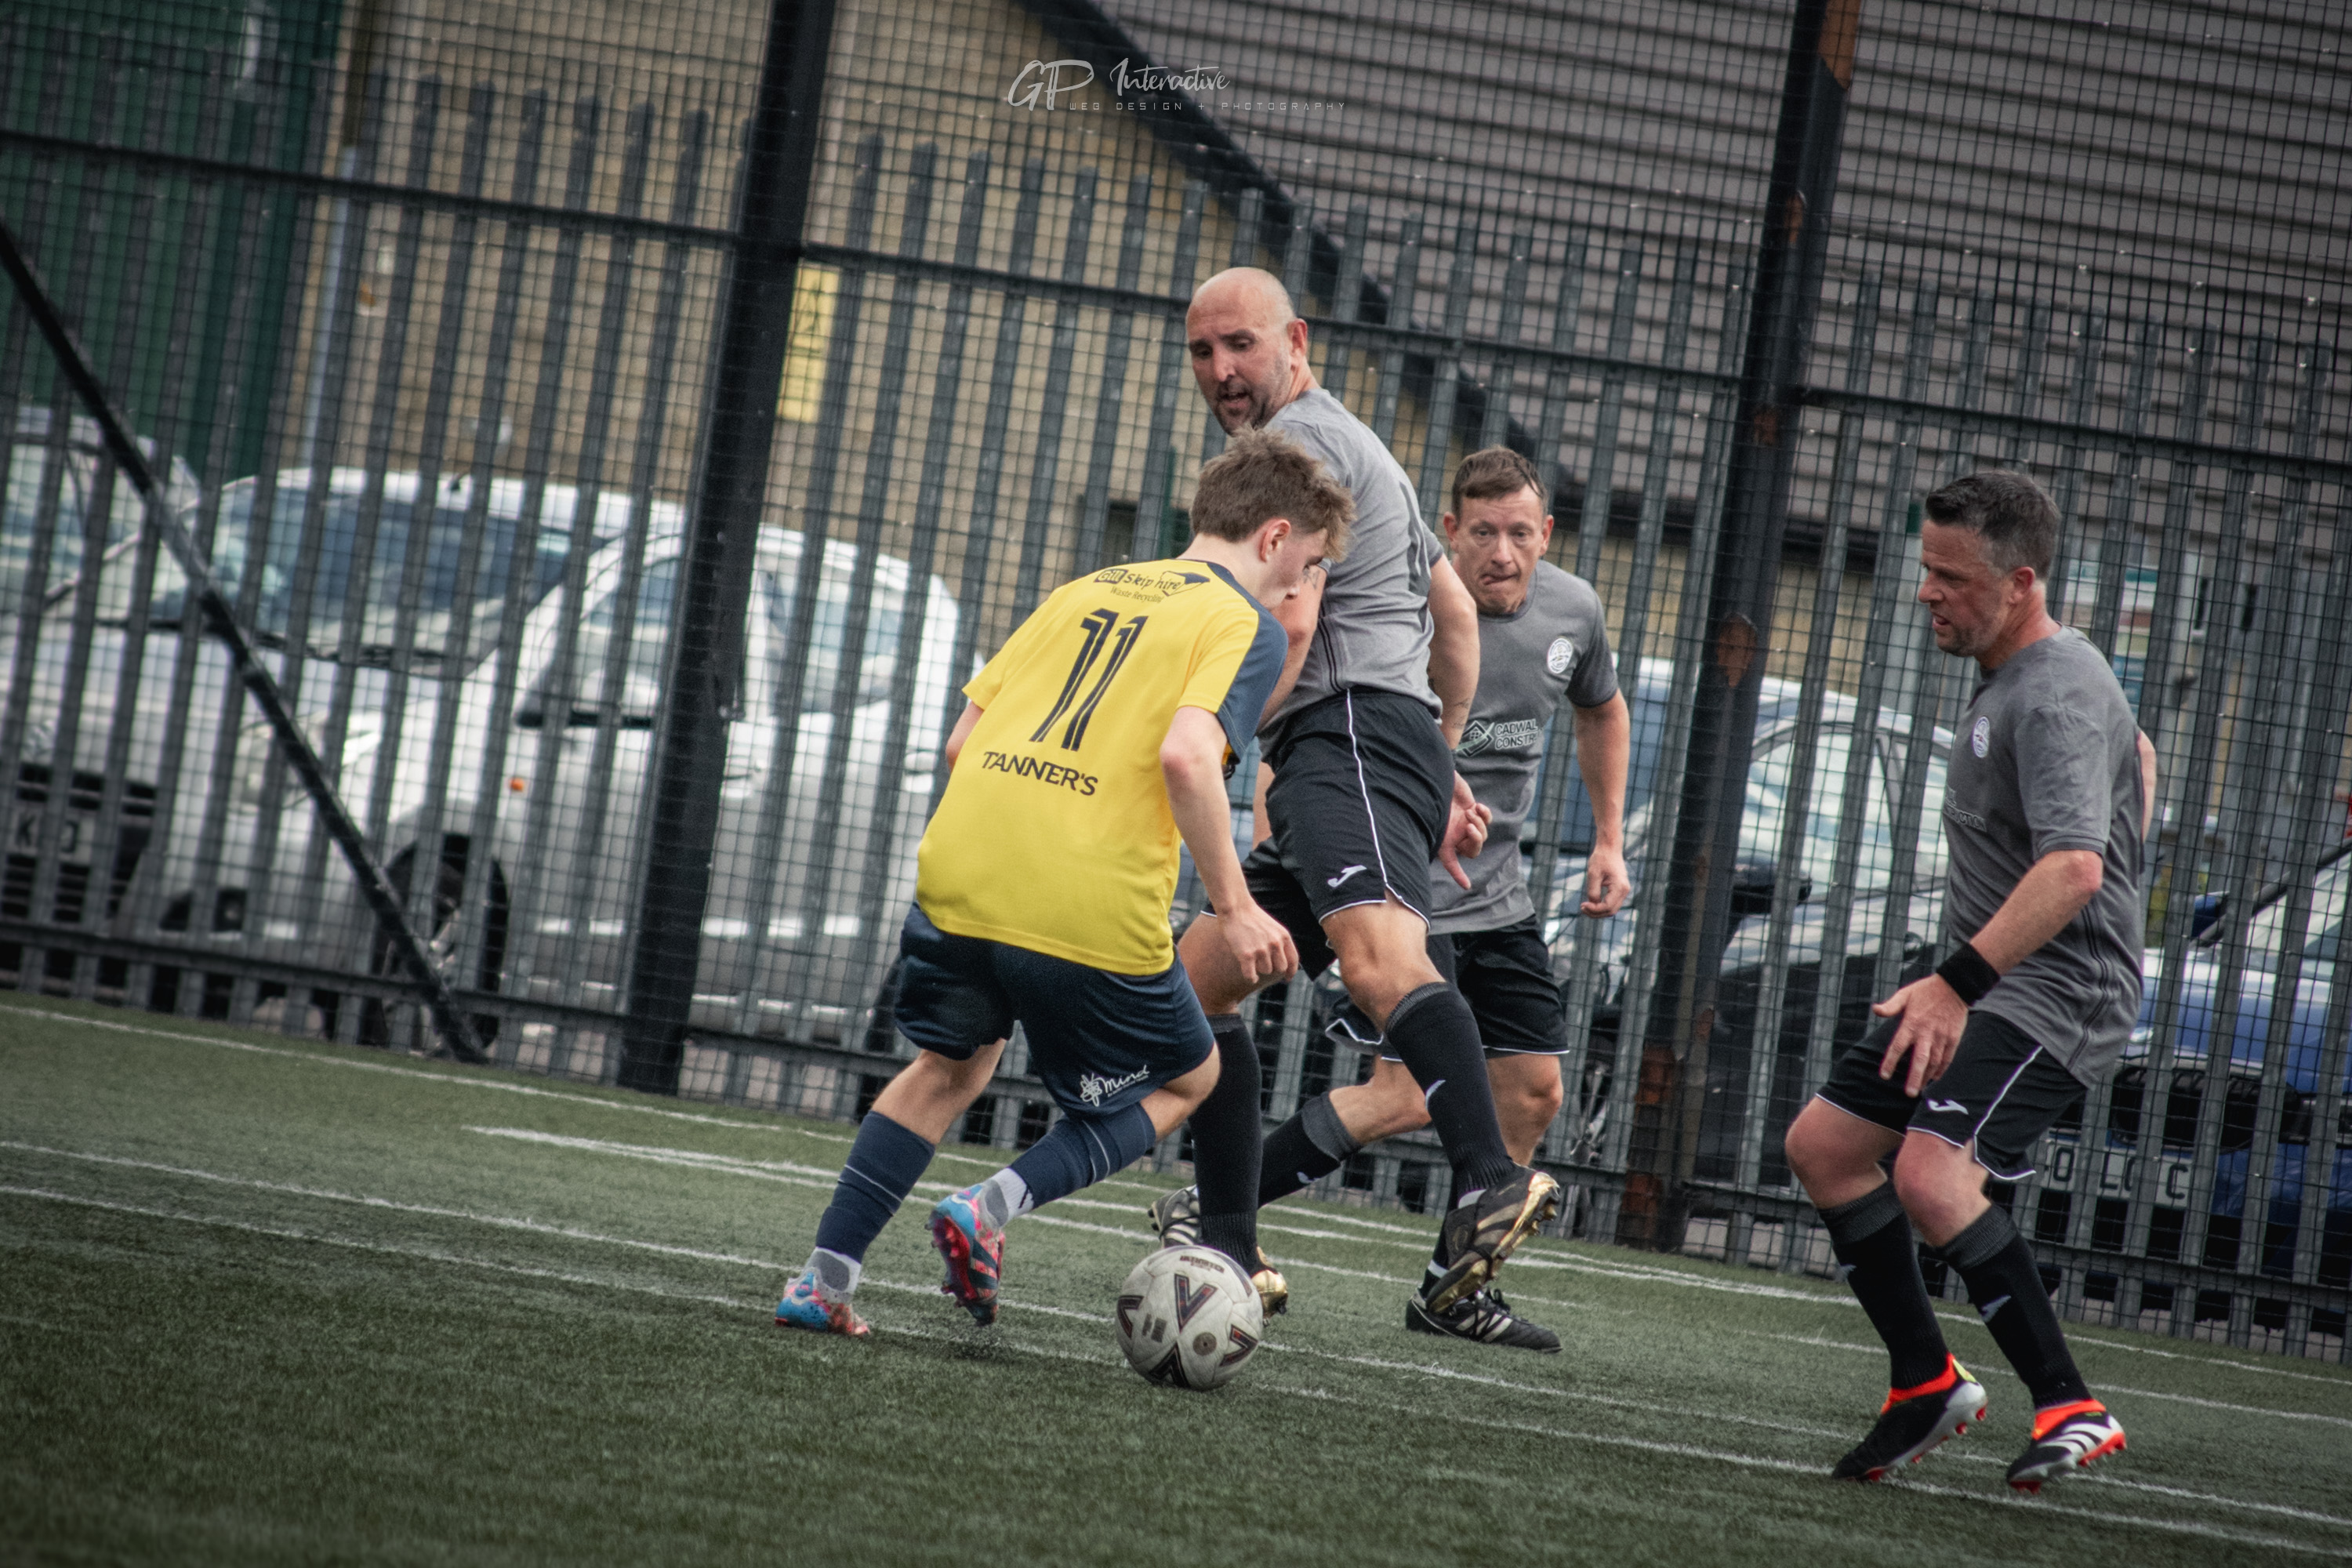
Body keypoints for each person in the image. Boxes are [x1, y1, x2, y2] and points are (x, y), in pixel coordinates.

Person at [775, 429, 1350, 1337]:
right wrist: (1236, 909)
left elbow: (963, 744)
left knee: (947, 1066)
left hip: (960, 868)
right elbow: (1188, 757)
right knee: (1192, 1070)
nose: (1301, 589)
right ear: (1274, 538)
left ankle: (823, 1279)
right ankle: (989, 1206)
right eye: (1310, 564)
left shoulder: (1081, 588)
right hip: (1081, 895)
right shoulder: (1238, 622)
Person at [1148, 269, 1563, 1318]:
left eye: (1241, 345)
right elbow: (1452, 618)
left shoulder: (1302, 451)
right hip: (1368, 742)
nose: (1222, 371)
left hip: (1344, 737)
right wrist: (1440, 753)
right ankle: (1230, 1241)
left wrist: (1228, 749)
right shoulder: (1342, 440)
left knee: (1384, 964)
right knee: (1195, 990)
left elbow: (1286, 626)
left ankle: (1487, 1180)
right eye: (1203, 353)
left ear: (1296, 340)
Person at [1782, 469, 2156, 1491]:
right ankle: (1924, 1385)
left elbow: (2077, 867)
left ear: (2020, 581)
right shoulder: (2025, 677)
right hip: (1988, 983)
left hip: (2052, 994)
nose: (1924, 593)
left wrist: (1954, 983)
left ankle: (2070, 1403)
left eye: (1947, 577)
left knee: (1930, 1173)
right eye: (1924, 569)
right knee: (1827, 1146)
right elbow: (2140, 758)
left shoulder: (2055, 691)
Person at [1253, 446, 1631, 1352]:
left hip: (1497, 893)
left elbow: (1602, 708)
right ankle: (1217, 1202)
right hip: (1403, 893)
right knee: (1405, 1094)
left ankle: (1452, 1288)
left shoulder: (1573, 611)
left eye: (1521, 533)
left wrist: (1610, 837)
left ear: (1547, 535)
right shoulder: (1397, 611)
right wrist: (1281, 855)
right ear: (1447, 532)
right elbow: (1304, 739)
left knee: (1536, 1091)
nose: (1502, 552)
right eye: (1483, 532)